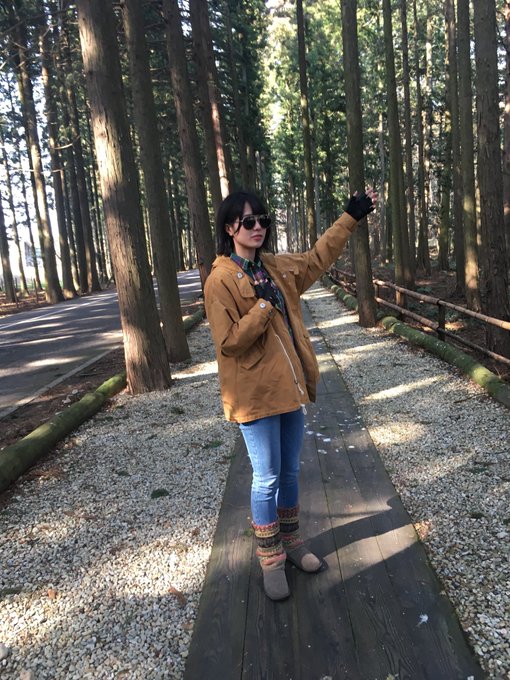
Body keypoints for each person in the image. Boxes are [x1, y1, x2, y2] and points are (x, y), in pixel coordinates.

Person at [204, 188, 376, 601]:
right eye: (248, 221)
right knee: (266, 479)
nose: (258, 227)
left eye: (262, 220)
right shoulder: (220, 280)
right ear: (230, 229)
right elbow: (228, 342)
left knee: (290, 474)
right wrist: (263, 308)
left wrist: (349, 218)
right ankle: (271, 557)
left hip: (289, 389)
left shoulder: (274, 267)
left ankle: (293, 541)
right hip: (254, 396)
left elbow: (316, 259)